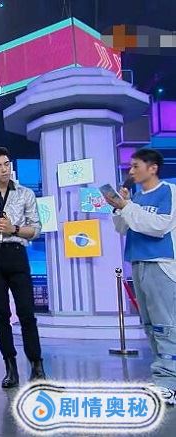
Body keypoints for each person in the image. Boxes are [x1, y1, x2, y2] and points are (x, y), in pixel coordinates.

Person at [106, 148, 176, 406]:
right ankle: (163, 376)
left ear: (152, 168)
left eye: (136, 166)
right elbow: (123, 228)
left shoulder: (168, 191)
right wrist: (119, 208)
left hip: (161, 264)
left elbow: (159, 226)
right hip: (137, 263)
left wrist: (128, 206)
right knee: (150, 325)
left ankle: (169, 383)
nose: (131, 171)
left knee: (165, 325)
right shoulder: (134, 197)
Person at [0, 146, 45, 388]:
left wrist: (14, 229)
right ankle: (10, 368)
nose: (4, 169)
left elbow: (36, 229)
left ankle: (37, 366)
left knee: (26, 312)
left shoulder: (25, 194)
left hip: (17, 253)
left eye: (6, 164)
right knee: (1, 313)